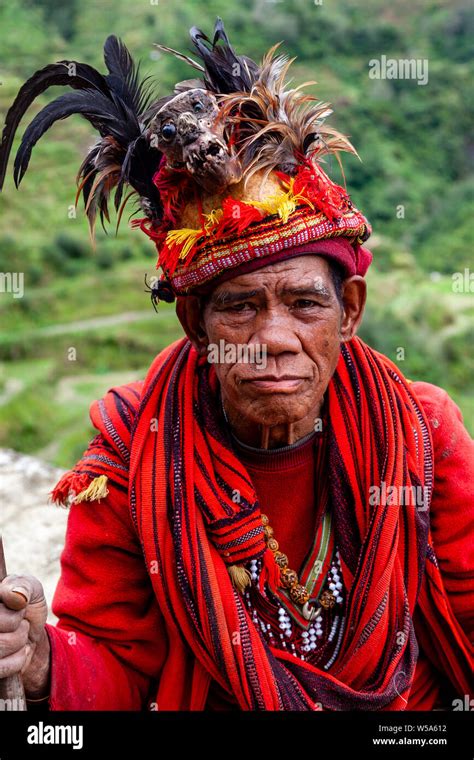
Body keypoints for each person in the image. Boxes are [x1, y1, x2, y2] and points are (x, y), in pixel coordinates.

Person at [0, 20, 472, 711]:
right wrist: (42, 658)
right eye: (241, 307)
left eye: (306, 305)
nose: (273, 337)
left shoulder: (421, 433)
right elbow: (118, 674)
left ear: (352, 312)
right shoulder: (134, 459)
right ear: (195, 322)